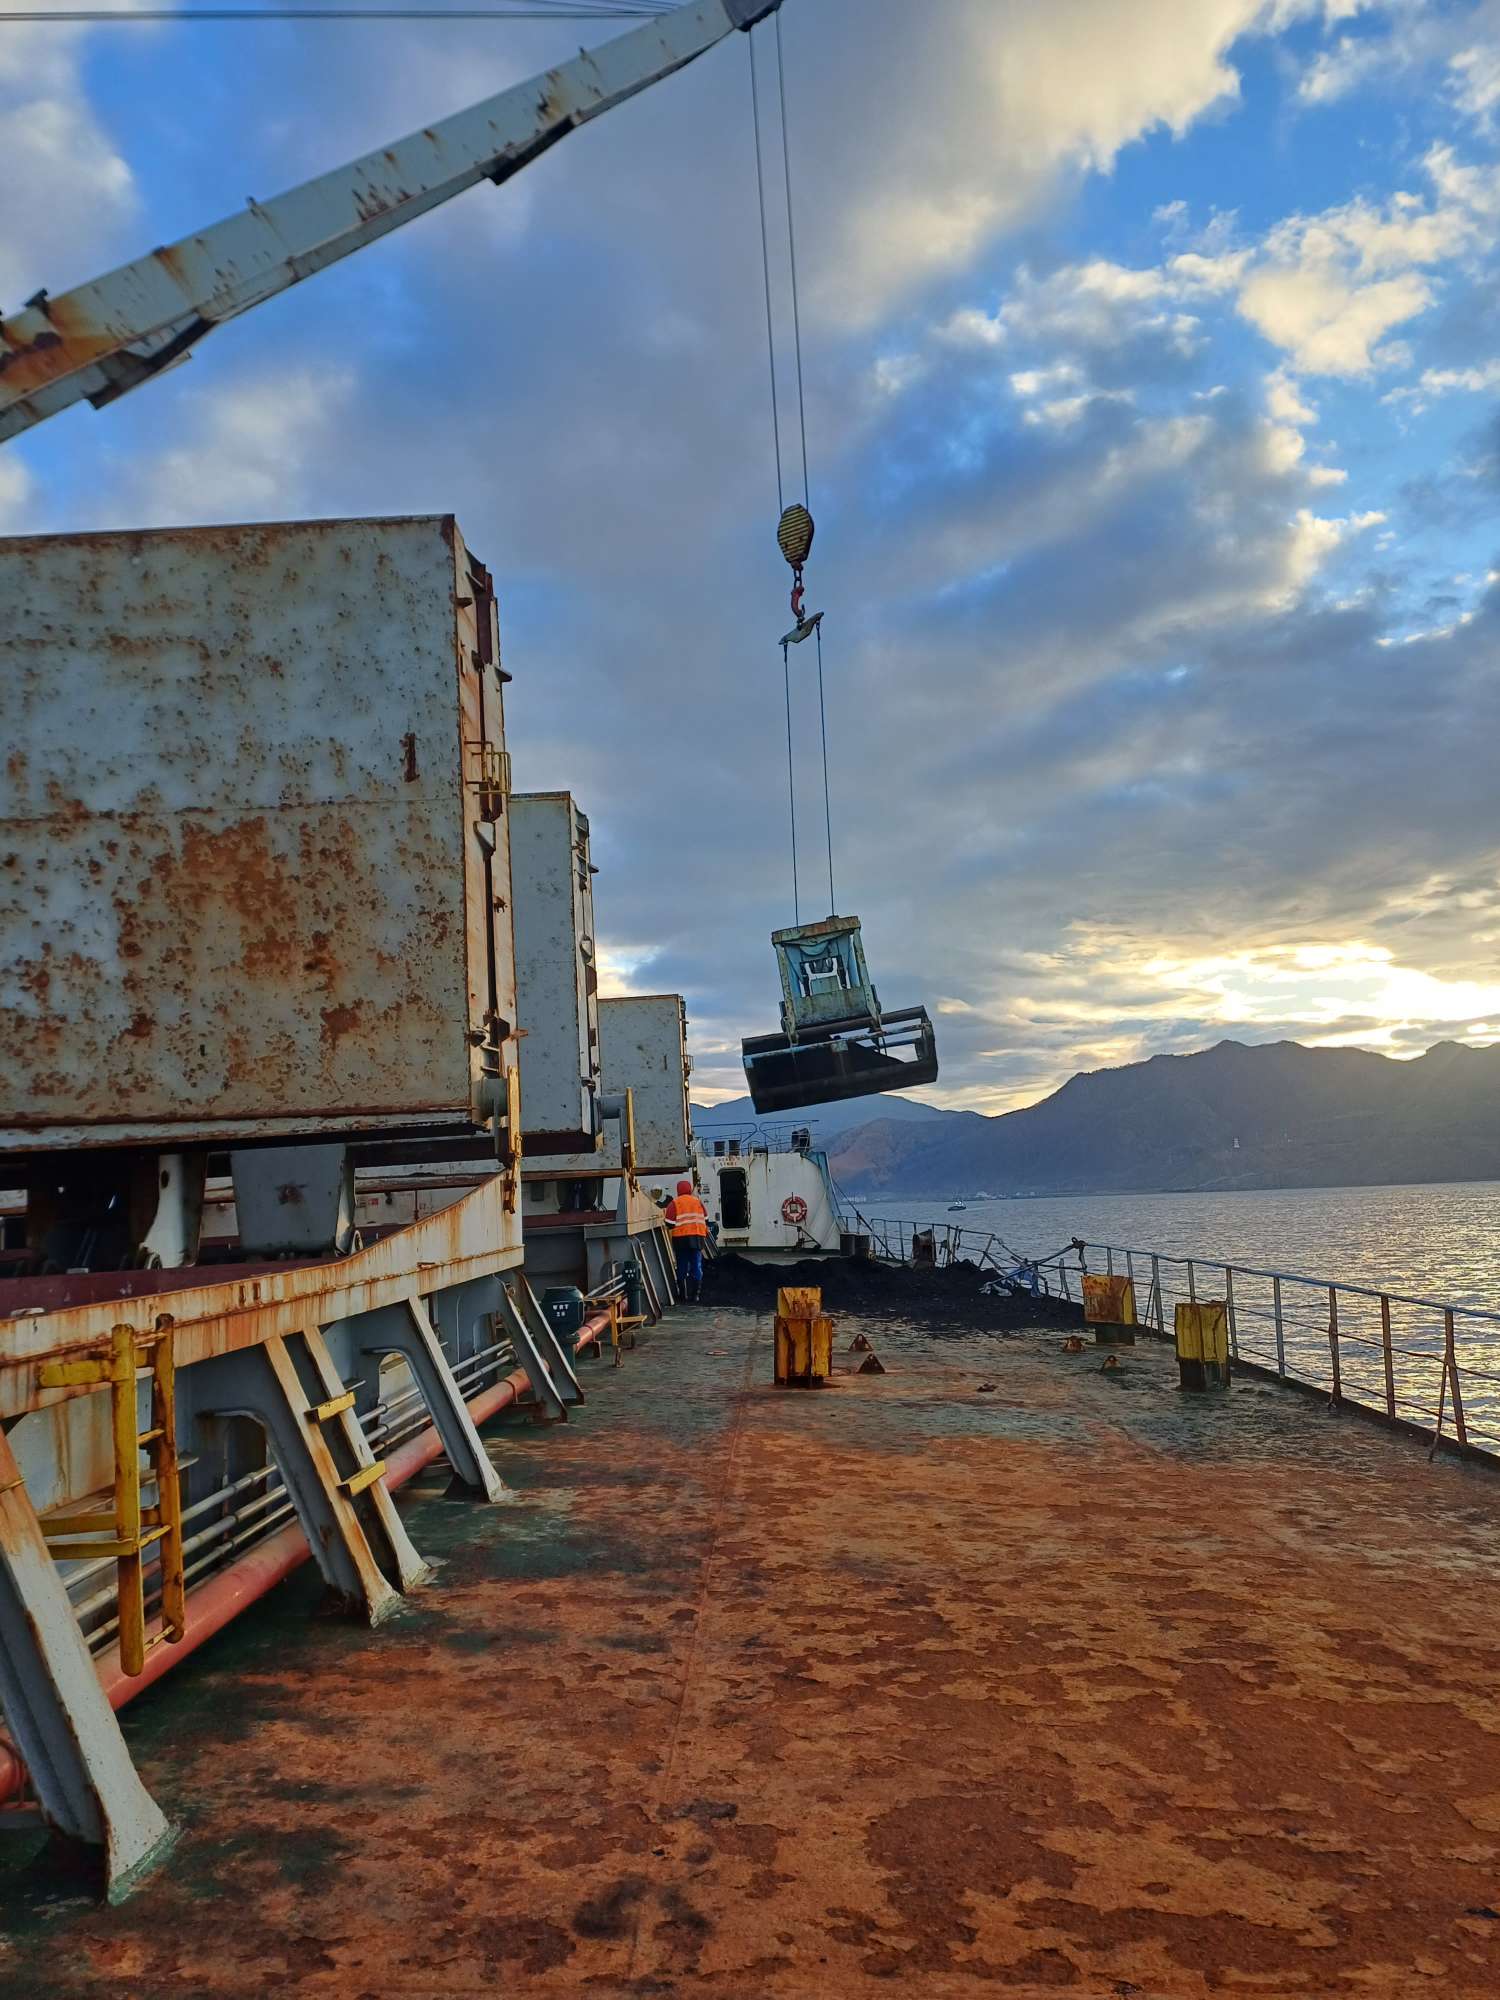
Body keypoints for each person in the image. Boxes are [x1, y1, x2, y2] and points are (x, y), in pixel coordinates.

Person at [663, 1178, 709, 1303]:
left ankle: (683, 1295)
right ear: (689, 1189)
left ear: (678, 1190)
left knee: (682, 1266)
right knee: (696, 1265)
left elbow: (669, 1223)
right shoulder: (697, 1202)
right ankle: (696, 1295)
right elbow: (706, 1217)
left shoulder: (675, 1203)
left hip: (681, 1240)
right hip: (698, 1237)